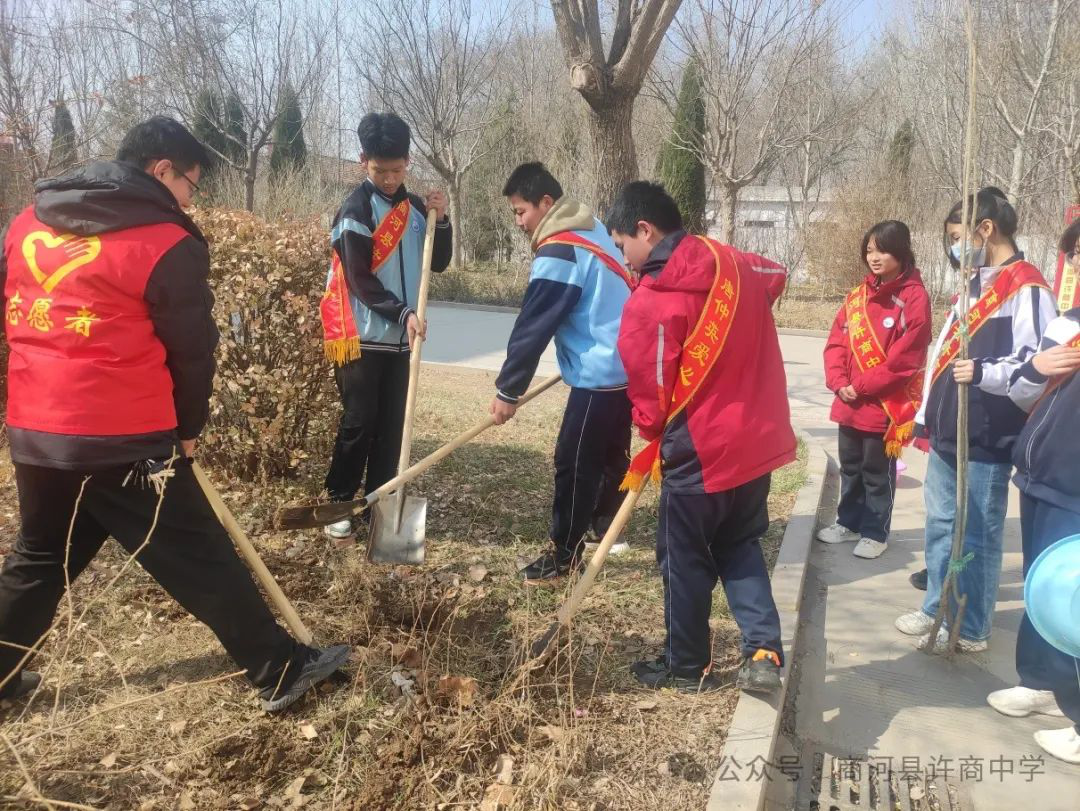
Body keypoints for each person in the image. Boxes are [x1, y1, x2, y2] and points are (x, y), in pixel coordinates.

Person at [0, 116, 347, 711]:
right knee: (196, 551)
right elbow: (192, 351)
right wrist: (187, 430)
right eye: (191, 181)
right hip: (122, 436)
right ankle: (278, 668)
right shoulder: (165, 240)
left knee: (40, 555)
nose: (192, 195)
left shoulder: (26, 222)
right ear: (161, 169)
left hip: (37, 429)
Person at [609, 181, 795, 693]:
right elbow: (775, 276)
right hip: (755, 442)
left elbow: (650, 392)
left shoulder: (651, 302)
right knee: (739, 543)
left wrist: (647, 438)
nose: (625, 259)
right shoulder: (733, 262)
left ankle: (686, 664)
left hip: (700, 450)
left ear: (645, 229)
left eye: (624, 244)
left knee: (684, 556)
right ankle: (763, 652)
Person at [895, 187, 1056, 652]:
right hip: (950, 428)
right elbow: (943, 355)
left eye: (956, 236)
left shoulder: (1026, 288)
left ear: (986, 229)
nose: (953, 247)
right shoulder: (975, 283)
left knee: (979, 533)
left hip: (988, 432)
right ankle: (934, 606)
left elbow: (1036, 360)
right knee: (942, 522)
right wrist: (927, 415)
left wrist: (987, 373)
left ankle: (972, 624)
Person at [490, 162, 633, 582]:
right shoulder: (595, 229)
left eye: (521, 212)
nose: (519, 222)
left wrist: (507, 390)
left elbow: (534, 325)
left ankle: (563, 553)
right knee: (610, 455)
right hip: (625, 366)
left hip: (599, 374)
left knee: (573, 462)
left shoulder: (560, 249)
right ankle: (607, 528)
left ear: (546, 203)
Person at [320, 112, 452, 540]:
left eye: (397, 169)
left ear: (407, 162)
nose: (391, 178)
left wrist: (442, 220)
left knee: (393, 427)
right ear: (363, 161)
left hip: (402, 341)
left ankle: (380, 503)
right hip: (361, 337)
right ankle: (338, 502)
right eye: (381, 170)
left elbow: (441, 261)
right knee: (360, 422)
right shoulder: (355, 209)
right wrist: (403, 313)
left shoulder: (415, 210)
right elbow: (359, 279)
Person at [987, 218, 1080, 765]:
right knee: (1044, 589)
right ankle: (1042, 681)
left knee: (1076, 597)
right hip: (1044, 478)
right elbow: (1023, 392)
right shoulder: (1067, 324)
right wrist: (1038, 367)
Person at [818, 221, 932, 559]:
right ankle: (848, 523)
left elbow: (905, 359)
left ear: (900, 250)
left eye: (881, 249)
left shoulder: (914, 297)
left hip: (882, 405)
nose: (874, 257)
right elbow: (836, 343)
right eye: (869, 250)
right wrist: (839, 382)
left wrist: (861, 385)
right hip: (849, 401)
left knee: (876, 473)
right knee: (849, 467)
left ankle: (875, 531)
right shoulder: (857, 296)